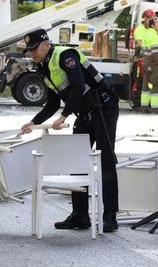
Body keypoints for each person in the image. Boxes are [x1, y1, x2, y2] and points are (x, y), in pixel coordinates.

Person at [19, 28, 120, 232]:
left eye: (34, 49)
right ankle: (80, 215)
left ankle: (110, 216)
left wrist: (65, 115)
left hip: (103, 108)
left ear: (46, 45)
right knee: (77, 160)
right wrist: (33, 122)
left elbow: (78, 86)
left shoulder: (66, 56)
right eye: (29, 51)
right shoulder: (44, 67)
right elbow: (53, 102)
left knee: (106, 160)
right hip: (84, 113)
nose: (32, 54)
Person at [133, 9, 158, 112]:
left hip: (145, 60)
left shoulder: (148, 30)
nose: (151, 20)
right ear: (145, 19)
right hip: (142, 60)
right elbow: (139, 45)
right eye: (150, 18)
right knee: (142, 83)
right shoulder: (141, 29)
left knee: (146, 84)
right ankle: (138, 105)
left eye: (152, 18)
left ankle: (144, 106)